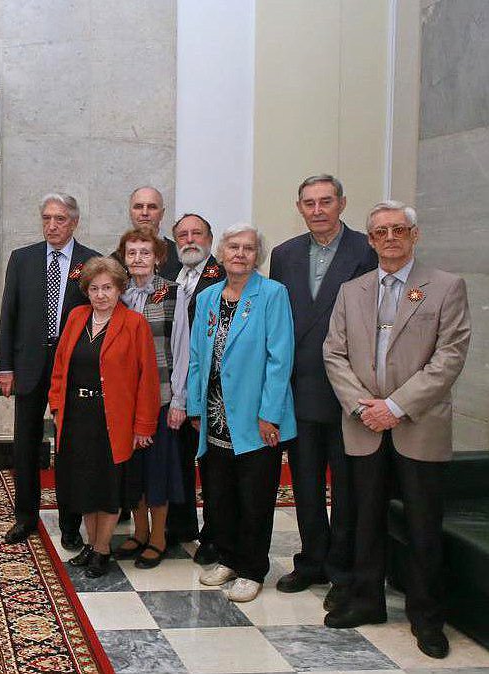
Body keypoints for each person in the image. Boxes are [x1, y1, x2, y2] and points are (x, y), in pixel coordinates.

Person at [322, 201, 470, 659]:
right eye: (381, 231)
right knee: (365, 520)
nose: (390, 238)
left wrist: (395, 406)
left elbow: (449, 357)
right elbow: (334, 353)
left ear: (414, 235)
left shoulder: (446, 287)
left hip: (418, 426)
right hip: (364, 424)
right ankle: (367, 601)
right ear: (369, 240)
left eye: (399, 230)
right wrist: (363, 406)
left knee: (424, 526)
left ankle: (427, 618)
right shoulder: (352, 290)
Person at [268, 175, 377, 606]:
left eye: (326, 201)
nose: (318, 210)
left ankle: (342, 568)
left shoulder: (365, 252)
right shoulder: (285, 254)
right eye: (309, 202)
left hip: (348, 390)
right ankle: (312, 559)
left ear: (342, 203)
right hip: (298, 388)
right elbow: (281, 323)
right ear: (299, 207)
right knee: (306, 483)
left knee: (346, 486)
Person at [187, 223, 296, 603]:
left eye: (249, 248)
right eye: (233, 246)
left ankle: (252, 568)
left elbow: (280, 359)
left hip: (255, 416)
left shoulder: (272, 295)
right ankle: (228, 557)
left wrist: (271, 414)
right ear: (221, 251)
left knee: (255, 494)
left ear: (257, 255)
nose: (240, 253)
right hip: (215, 415)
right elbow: (198, 357)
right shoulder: (208, 298)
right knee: (219, 492)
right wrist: (196, 408)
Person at [0, 193, 99, 550]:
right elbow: (8, 314)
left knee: (70, 445)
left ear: (74, 222)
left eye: (59, 219)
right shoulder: (22, 259)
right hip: (28, 365)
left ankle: (71, 522)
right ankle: (25, 516)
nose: (52, 226)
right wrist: (5, 366)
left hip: (74, 367)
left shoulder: (91, 261)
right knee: (24, 443)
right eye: (47, 218)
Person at [48, 256, 160, 578]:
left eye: (107, 288)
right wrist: (57, 407)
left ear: (119, 288)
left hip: (114, 418)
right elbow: (60, 368)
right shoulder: (75, 318)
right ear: (87, 291)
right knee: (85, 485)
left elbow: (147, 379)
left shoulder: (134, 323)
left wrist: (143, 425)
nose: (101, 295)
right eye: (95, 288)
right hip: (76, 417)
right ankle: (91, 544)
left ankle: (102, 549)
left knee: (108, 487)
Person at [114, 229, 189, 569]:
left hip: (160, 397)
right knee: (134, 470)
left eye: (145, 253)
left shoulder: (175, 294)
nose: (138, 259)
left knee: (159, 469)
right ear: (124, 258)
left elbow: (182, 349)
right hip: (126, 399)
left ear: (158, 257)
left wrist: (178, 400)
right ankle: (139, 530)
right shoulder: (119, 295)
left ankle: (158, 536)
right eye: (132, 253)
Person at [165, 213, 225, 565]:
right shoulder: (177, 276)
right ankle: (183, 524)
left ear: (209, 238)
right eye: (182, 235)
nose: (189, 240)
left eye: (196, 233)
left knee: (212, 466)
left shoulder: (219, 277)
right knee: (180, 459)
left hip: (207, 387)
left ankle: (214, 536)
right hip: (177, 385)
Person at [120, 187, 181, 280]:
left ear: (162, 213)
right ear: (130, 212)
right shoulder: (116, 259)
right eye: (139, 207)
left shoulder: (180, 255)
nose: (144, 213)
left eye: (152, 207)